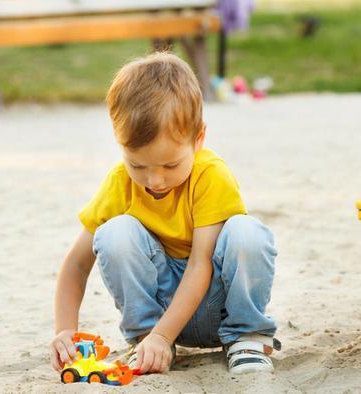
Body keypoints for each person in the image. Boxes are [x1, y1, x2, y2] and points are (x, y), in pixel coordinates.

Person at [48, 52, 279, 375]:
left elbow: (201, 265)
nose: (154, 180)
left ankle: (247, 337)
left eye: (170, 165)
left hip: (221, 308)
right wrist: (65, 330)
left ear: (198, 139)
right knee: (116, 232)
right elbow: (76, 262)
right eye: (138, 165)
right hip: (158, 318)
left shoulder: (210, 175)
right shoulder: (120, 183)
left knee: (247, 232)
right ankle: (145, 342)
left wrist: (163, 334)